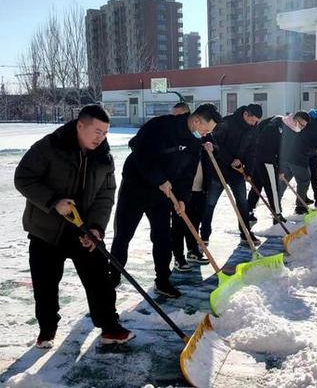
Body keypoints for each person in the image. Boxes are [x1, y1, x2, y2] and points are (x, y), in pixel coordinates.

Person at [14, 104, 134, 348]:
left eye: (105, 133)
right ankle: (46, 330)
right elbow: (23, 178)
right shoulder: (50, 147)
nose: (100, 138)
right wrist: (53, 202)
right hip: (46, 231)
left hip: (83, 231)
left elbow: (106, 194)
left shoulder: (104, 158)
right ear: (81, 125)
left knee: (100, 280)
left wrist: (97, 229)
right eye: (96, 131)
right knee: (45, 285)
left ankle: (110, 328)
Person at [109, 104, 221, 297]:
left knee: (162, 237)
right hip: (135, 187)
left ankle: (162, 281)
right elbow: (140, 153)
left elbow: (188, 173)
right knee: (123, 235)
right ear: (196, 121)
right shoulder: (160, 126)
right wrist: (159, 179)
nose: (205, 135)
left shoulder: (195, 143)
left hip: (161, 194)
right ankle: (113, 276)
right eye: (205, 130)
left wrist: (183, 199)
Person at [201, 104, 262, 246]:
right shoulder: (226, 123)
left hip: (237, 172)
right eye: (253, 120)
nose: (254, 123)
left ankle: (246, 233)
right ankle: (204, 235)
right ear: (246, 114)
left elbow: (252, 151)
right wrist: (230, 160)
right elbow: (215, 145)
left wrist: (249, 172)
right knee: (210, 203)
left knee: (242, 203)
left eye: (257, 121)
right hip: (219, 170)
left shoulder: (253, 129)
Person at [246, 111, 310, 223]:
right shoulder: (276, 127)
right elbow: (279, 151)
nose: (302, 128)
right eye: (302, 125)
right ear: (295, 120)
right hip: (266, 160)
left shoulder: (281, 120)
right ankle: (277, 215)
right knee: (273, 188)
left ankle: (248, 211)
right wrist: (279, 169)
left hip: (256, 158)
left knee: (257, 185)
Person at [279, 107, 317, 214]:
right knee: (304, 179)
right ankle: (301, 207)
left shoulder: (308, 119)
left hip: (286, 155)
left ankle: (275, 203)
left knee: (284, 180)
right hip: (299, 156)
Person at [170, 151, 212, 271]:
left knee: (195, 222)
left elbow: (217, 150)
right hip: (181, 191)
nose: (206, 132)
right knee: (179, 225)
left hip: (200, 190)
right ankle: (178, 257)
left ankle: (193, 250)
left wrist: (212, 147)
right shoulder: (180, 138)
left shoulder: (204, 136)